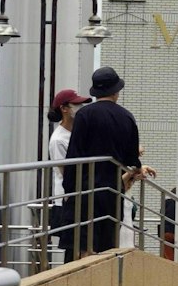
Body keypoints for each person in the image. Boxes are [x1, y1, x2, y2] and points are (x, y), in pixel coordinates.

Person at [63, 68, 153, 255]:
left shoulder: (84, 115)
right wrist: (136, 168)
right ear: (116, 91)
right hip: (112, 189)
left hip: (85, 189)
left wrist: (69, 188)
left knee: (83, 244)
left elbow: (74, 154)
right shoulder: (126, 117)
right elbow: (131, 158)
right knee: (107, 244)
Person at [47, 87, 91, 262]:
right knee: (73, 246)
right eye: (76, 104)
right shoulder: (59, 139)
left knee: (81, 244)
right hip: (67, 198)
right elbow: (64, 171)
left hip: (79, 195)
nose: (80, 108)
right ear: (64, 108)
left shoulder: (76, 133)